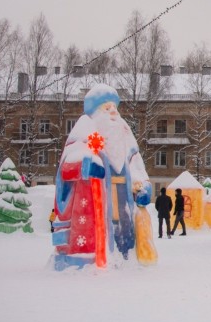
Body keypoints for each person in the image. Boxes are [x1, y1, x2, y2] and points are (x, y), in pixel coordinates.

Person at [52, 84, 154, 269]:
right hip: (93, 210)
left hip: (123, 209)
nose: (113, 113)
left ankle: (126, 256)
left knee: (125, 237)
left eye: (115, 108)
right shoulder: (85, 132)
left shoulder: (125, 135)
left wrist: (144, 186)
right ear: (97, 112)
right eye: (108, 108)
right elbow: (67, 167)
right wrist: (86, 166)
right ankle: (90, 259)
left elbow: (137, 166)